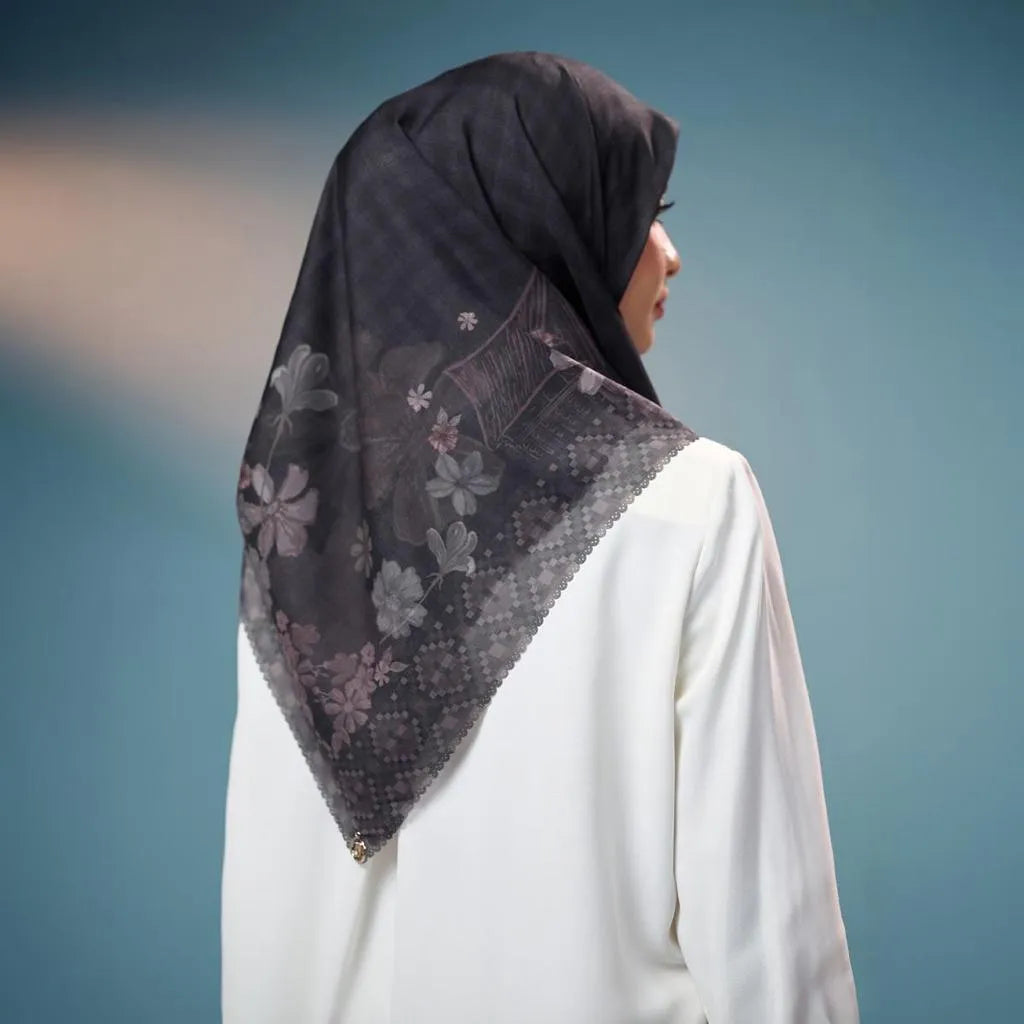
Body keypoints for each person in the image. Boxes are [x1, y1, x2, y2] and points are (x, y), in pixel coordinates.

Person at [222, 51, 861, 1023]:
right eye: (644, 209)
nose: (668, 253)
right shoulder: (691, 502)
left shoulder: (296, 543)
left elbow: (269, 932)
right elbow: (771, 941)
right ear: (542, 225)